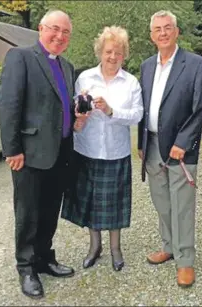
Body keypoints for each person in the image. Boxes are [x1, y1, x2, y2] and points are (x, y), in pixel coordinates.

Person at [0, 10, 76, 299]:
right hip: (29, 154)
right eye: (55, 29)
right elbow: (8, 105)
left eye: (66, 32)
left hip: (60, 153)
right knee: (28, 212)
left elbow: (61, 105)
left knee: (49, 211)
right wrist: (12, 149)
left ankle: (44, 257)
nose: (59, 36)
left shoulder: (67, 66)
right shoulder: (21, 57)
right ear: (41, 29)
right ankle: (26, 266)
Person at [137, 10, 202, 288]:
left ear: (177, 32)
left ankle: (185, 261)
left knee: (182, 206)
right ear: (152, 36)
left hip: (180, 148)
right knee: (162, 202)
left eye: (168, 28)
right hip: (152, 144)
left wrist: (184, 142)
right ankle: (169, 247)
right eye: (158, 29)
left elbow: (201, 107)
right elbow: (143, 109)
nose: (163, 33)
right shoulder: (146, 67)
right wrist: (141, 144)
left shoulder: (195, 64)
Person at [61, 26, 143, 272]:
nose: (113, 57)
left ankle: (116, 248)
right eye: (108, 51)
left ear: (124, 55)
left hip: (115, 151)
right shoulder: (84, 78)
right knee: (90, 202)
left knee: (115, 203)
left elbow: (137, 114)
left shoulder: (131, 83)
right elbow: (75, 108)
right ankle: (94, 246)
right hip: (86, 149)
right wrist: (80, 113)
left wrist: (111, 111)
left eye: (118, 52)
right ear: (100, 52)